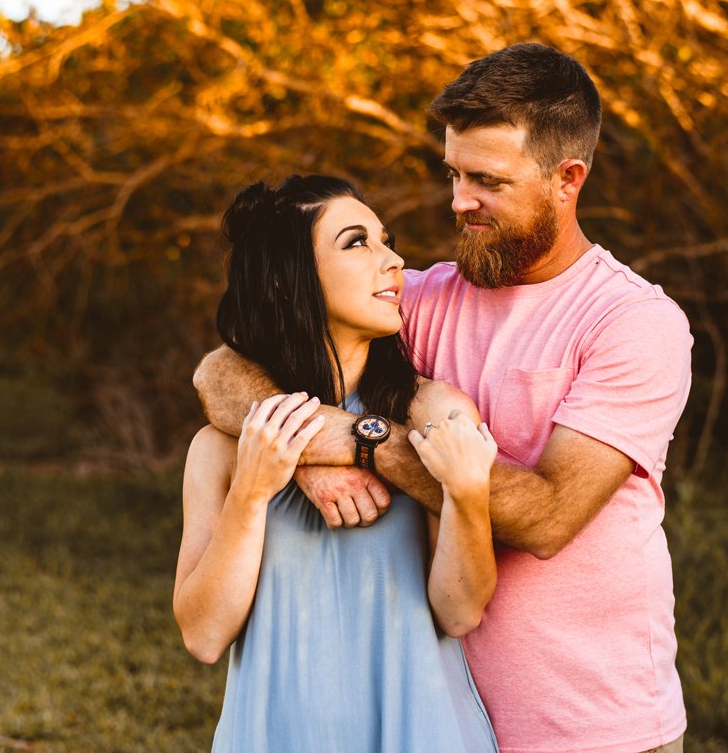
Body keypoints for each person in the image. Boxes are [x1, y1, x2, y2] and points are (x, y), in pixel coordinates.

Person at [195, 44, 694, 753]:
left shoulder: (633, 323)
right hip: (434, 719)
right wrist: (306, 449)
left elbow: (550, 517)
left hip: (591, 725)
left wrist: (358, 441)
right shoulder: (415, 302)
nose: (459, 200)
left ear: (567, 179)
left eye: (486, 180)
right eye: (454, 173)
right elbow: (222, 369)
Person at [173, 175, 501, 752]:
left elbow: (459, 612)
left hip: (416, 731)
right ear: (284, 279)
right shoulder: (221, 449)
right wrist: (253, 491)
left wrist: (469, 496)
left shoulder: (433, 415)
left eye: (386, 239)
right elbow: (203, 635)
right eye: (357, 242)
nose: (393, 260)